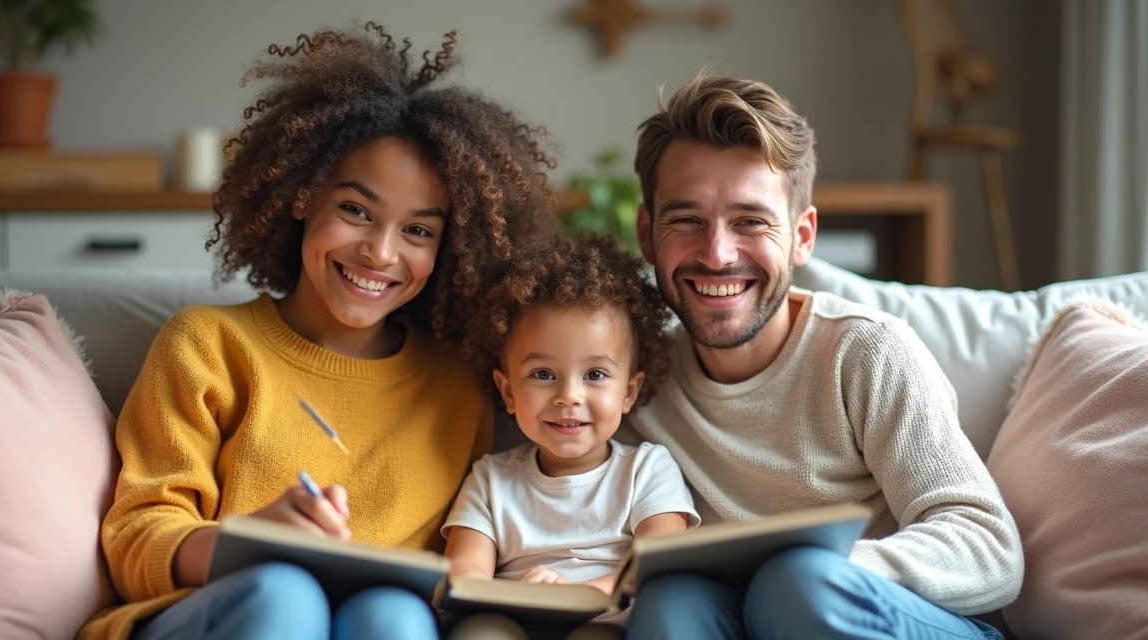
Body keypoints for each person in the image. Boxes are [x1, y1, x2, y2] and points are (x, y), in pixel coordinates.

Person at [79, 23, 557, 640]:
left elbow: (462, 561)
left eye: (418, 231)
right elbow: (135, 541)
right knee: (286, 595)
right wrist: (251, 542)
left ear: (449, 247)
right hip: (218, 613)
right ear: (303, 195)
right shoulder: (207, 345)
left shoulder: (458, 384)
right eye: (356, 210)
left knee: (399, 618)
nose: (380, 253)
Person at [622, 74, 1024, 639]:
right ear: (647, 234)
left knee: (798, 587)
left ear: (802, 237)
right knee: (671, 602)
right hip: (747, 617)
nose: (716, 254)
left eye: (751, 221)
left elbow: (990, 549)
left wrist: (828, 569)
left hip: (892, 619)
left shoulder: (866, 351)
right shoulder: (633, 372)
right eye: (686, 221)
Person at [442, 234, 700, 640]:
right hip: (511, 618)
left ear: (629, 392)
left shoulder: (648, 470)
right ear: (508, 391)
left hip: (601, 622)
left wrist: (577, 595)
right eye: (543, 375)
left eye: (595, 375)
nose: (568, 397)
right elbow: (463, 572)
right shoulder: (491, 478)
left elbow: (658, 567)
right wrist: (516, 597)